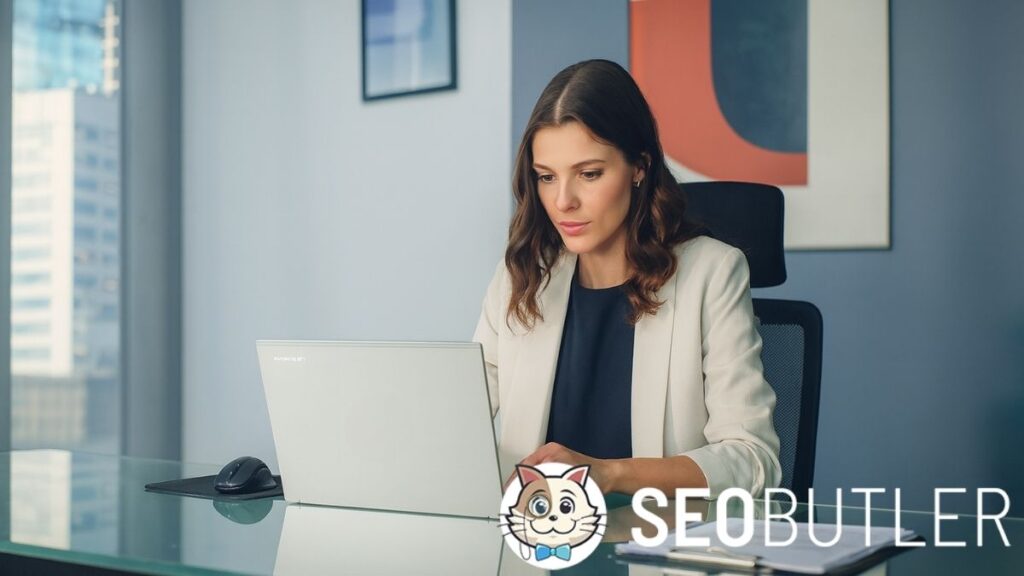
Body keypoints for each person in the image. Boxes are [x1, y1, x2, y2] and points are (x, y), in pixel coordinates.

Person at [473, 59, 781, 499]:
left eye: (589, 174)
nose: (563, 201)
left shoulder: (712, 273)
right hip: (541, 536)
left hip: (661, 535)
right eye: (546, 177)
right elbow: (455, 424)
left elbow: (753, 460)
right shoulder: (521, 277)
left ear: (639, 167)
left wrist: (609, 474)